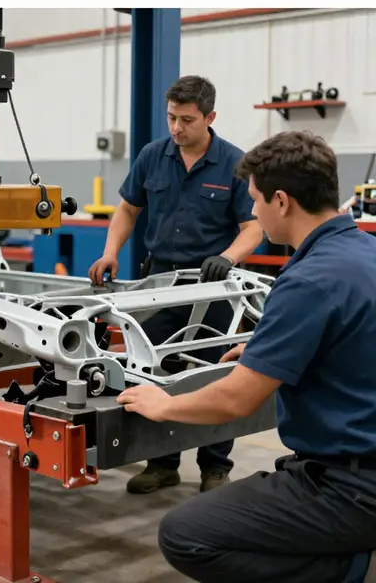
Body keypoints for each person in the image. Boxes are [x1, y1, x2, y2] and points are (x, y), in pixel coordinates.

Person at [117, 131, 376, 583]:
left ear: (282, 201)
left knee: (184, 534)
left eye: (255, 201)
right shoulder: (363, 252)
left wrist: (165, 405)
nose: (252, 212)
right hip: (363, 464)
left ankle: (352, 569)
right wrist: (269, 342)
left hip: (350, 486)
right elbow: (346, 330)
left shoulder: (307, 280)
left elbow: (235, 401)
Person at [88, 75, 263, 494]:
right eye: (171, 117)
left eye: (187, 119)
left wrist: (228, 258)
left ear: (210, 117)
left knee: (215, 376)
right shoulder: (153, 156)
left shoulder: (234, 163)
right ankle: (161, 463)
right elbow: (128, 209)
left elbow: (253, 227)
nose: (176, 127)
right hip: (161, 285)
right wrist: (111, 250)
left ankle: (214, 468)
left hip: (212, 287)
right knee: (152, 372)